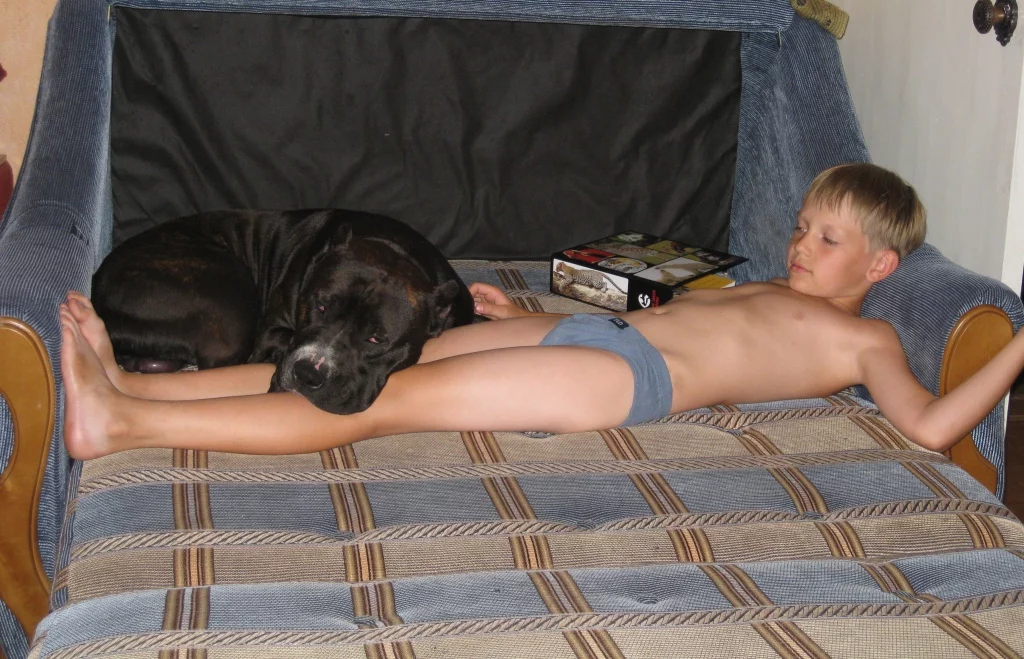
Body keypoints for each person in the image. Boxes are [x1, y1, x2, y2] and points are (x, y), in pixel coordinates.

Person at [60, 163, 1024, 460]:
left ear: (882, 264)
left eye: (826, 238)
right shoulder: (766, 287)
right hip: (596, 335)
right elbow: (664, 307)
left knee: (380, 403)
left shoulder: (868, 336)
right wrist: (524, 305)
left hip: (625, 378)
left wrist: (1017, 347)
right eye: (802, 226)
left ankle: (124, 422)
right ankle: (127, 382)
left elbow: (933, 426)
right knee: (386, 354)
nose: (799, 245)